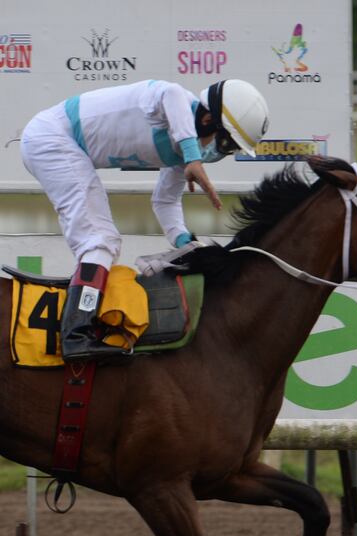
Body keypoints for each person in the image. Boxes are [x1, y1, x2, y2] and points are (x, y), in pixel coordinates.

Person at [21, 78, 270, 360]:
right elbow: (170, 93)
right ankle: (75, 334)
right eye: (226, 144)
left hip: (58, 143)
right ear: (207, 118)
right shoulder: (171, 104)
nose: (221, 153)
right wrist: (192, 156)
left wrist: (186, 243)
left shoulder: (182, 151)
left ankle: (79, 327)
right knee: (99, 241)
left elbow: (164, 202)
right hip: (51, 137)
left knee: (102, 242)